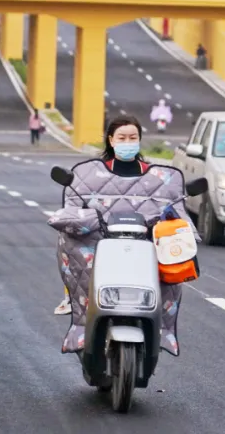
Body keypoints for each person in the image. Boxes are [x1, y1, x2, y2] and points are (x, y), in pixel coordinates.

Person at [54, 115, 147, 315]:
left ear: (140, 140)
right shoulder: (90, 174)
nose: (128, 143)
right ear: (111, 140)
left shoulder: (155, 175)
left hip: (143, 241)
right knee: (68, 237)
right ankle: (73, 298)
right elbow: (75, 206)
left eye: (133, 138)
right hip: (102, 239)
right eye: (122, 138)